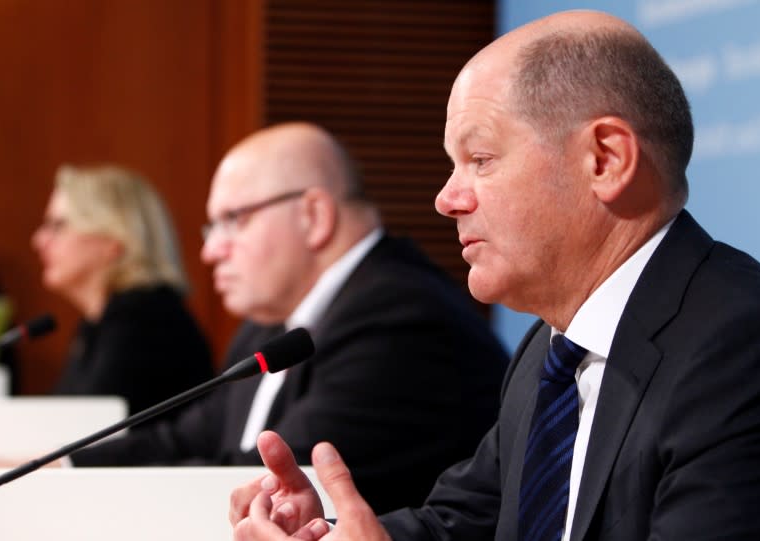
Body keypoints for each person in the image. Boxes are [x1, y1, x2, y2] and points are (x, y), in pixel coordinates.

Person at [227, 10, 760, 541]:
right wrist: (328, 535)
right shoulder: (549, 353)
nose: (446, 199)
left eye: (481, 159)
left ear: (605, 160)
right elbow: (467, 520)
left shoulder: (746, 351)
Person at [65, 122, 509, 515]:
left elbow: (273, 480)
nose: (210, 251)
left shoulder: (403, 320)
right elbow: (188, 438)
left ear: (313, 216)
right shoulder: (270, 322)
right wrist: (58, 466)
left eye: (232, 220)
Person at [31, 164, 214, 417]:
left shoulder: (145, 321)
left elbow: (88, 428)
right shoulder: (99, 322)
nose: (40, 240)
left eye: (58, 225)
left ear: (115, 239)